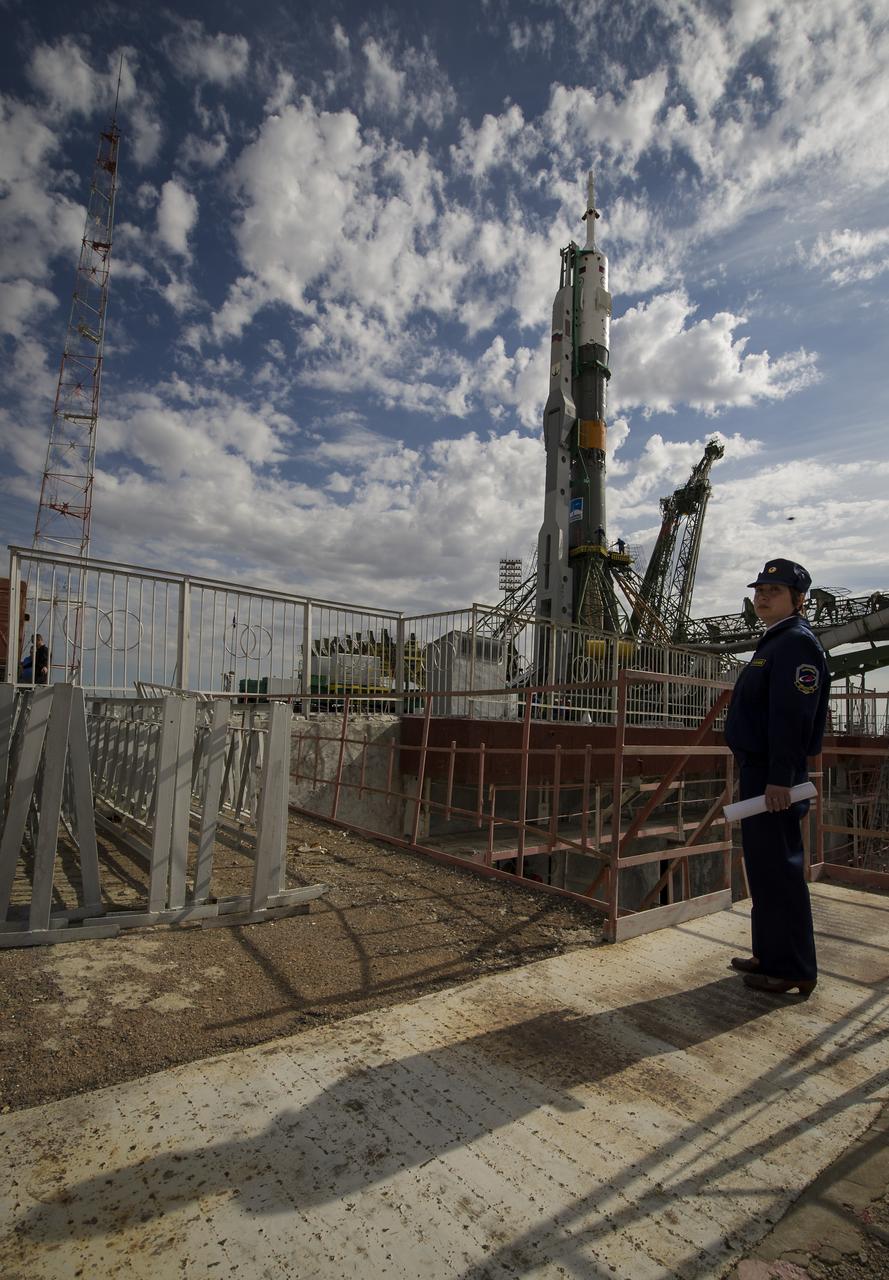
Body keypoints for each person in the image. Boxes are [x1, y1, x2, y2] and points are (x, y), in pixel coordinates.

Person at [724, 558, 830, 998]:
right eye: (759, 591)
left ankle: (793, 968)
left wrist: (781, 777)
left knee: (781, 870)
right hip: (761, 773)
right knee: (764, 868)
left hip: (774, 776)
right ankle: (768, 954)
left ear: (798, 599)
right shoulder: (775, 641)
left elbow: (792, 716)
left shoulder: (796, 644)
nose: (763, 597)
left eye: (775, 591)